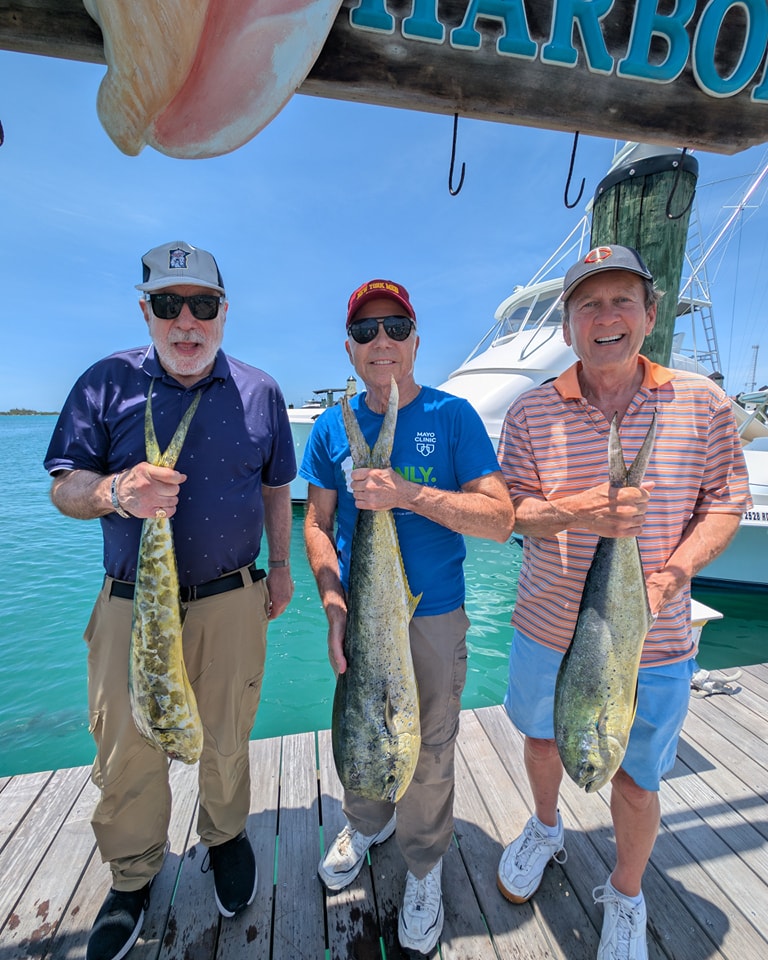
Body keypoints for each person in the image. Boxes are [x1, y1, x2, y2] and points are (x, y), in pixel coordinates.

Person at [495, 245, 751, 959]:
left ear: (650, 311)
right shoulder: (530, 412)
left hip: (657, 638)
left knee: (638, 781)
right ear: (569, 322)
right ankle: (546, 829)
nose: (605, 318)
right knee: (544, 741)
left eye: (620, 301)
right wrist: (583, 511)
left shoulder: (702, 403)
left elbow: (727, 504)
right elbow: (513, 511)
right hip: (547, 626)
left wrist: (675, 573)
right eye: (588, 305)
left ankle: (627, 892)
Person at [44, 241, 296, 960]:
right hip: (130, 599)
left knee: (228, 730)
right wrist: (115, 492)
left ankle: (224, 837)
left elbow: (277, 485)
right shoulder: (105, 382)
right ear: (145, 309)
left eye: (203, 305)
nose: (186, 322)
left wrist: (282, 566)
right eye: (168, 305)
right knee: (124, 745)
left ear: (224, 311)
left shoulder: (261, 391)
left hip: (230, 598)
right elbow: (64, 486)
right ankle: (132, 874)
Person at [300, 279, 515, 957]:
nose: (381, 342)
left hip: (434, 618)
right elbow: (316, 521)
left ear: (416, 340)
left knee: (430, 752)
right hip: (361, 609)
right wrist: (332, 599)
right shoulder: (332, 427)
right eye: (366, 332)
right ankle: (366, 825)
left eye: (395, 328)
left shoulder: (454, 417)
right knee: (363, 728)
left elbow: (499, 518)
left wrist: (408, 494)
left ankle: (423, 866)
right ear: (350, 349)